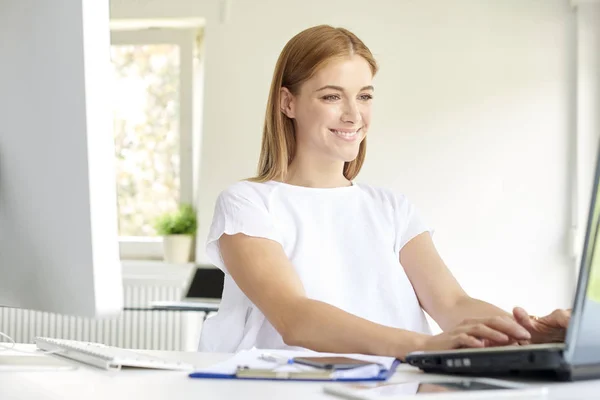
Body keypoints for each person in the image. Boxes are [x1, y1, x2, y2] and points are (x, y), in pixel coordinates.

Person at [198, 25, 571, 359]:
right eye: (331, 97)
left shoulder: (392, 208)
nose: (353, 115)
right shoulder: (247, 204)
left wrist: (527, 333)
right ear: (288, 102)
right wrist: (423, 346)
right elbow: (295, 317)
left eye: (364, 96)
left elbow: (452, 303)